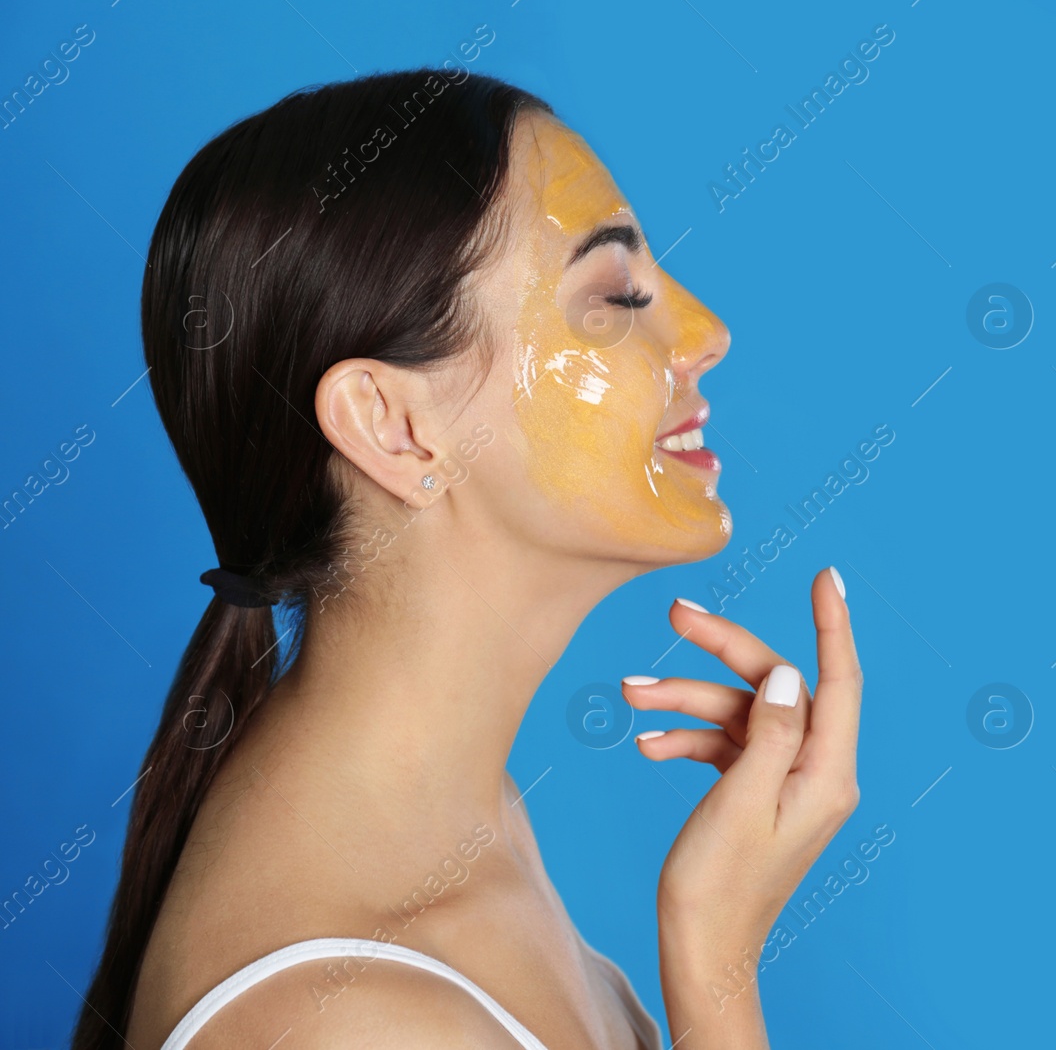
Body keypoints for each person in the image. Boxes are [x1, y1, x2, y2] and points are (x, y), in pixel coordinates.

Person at [72, 69, 864, 1050]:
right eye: (616, 295)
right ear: (396, 427)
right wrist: (715, 962)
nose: (705, 333)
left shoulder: (457, 810)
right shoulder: (350, 1027)